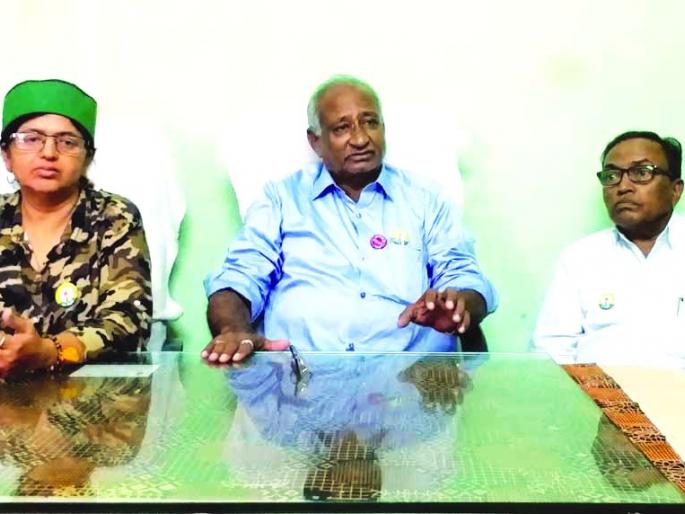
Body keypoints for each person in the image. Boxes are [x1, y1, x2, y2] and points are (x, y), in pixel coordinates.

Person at [203, 75, 497, 363]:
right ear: (315, 142)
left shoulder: (427, 199)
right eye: (342, 128)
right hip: (301, 382)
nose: (360, 139)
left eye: (370, 122)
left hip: (410, 378)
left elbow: (464, 276)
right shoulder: (280, 199)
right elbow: (240, 277)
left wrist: (458, 304)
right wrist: (232, 330)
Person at [0, 79, 152, 377]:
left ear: (87, 158)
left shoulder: (114, 217)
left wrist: (49, 351)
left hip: (90, 392)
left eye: (67, 142)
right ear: (7, 155)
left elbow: (129, 323)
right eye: (31, 139)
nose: (48, 153)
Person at [533, 131, 684, 363]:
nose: (623, 187)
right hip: (596, 386)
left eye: (641, 173)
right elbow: (553, 349)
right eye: (611, 175)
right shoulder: (580, 258)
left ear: (675, 189)